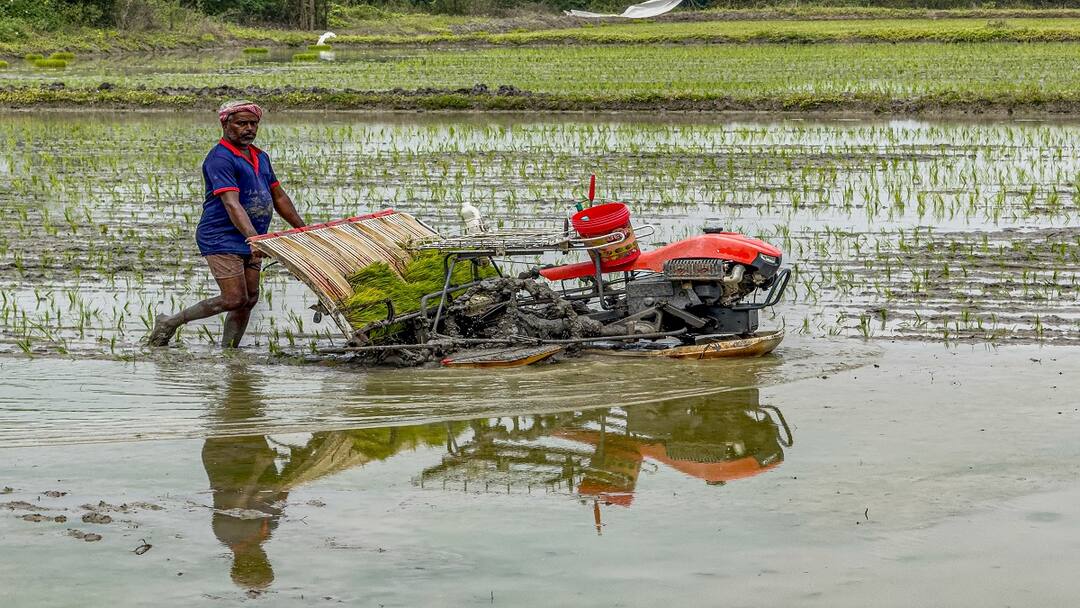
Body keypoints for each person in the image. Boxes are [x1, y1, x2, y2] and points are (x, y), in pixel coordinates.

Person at [148, 100, 305, 348]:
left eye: (253, 123)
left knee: (249, 298)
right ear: (226, 124)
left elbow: (279, 196)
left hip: (253, 238)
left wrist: (301, 229)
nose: (249, 129)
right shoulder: (220, 158)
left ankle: (230, 351)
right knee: (234, 298)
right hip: (221, 236)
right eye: (242, 123)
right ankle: (170, 322)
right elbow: (232, 203)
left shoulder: (260, 157)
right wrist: (253, 237)